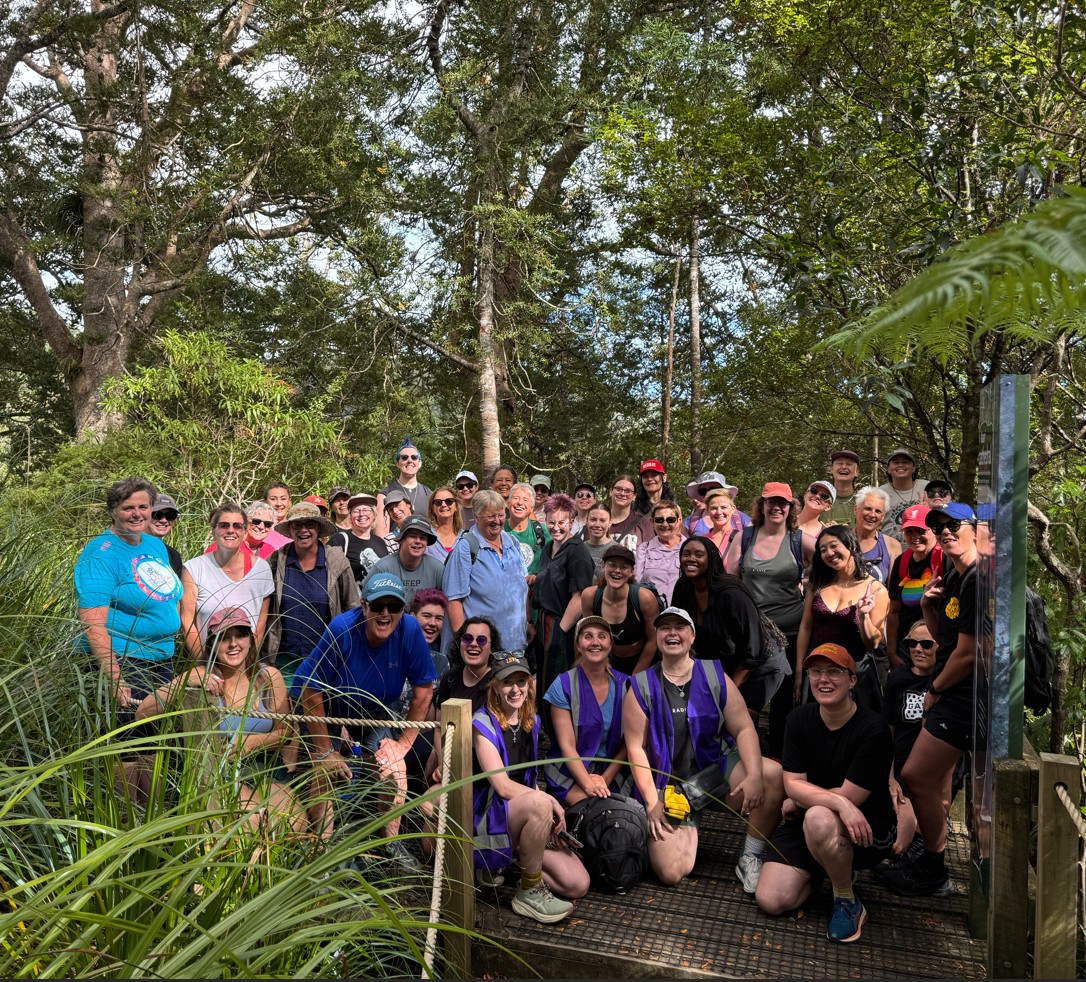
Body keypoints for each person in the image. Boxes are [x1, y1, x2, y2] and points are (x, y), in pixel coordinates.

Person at [622, 606, 785, 890]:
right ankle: (680, 827)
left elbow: (744, 727)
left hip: (716, 773)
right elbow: (636, 748)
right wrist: (652, 802)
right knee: (672, 871)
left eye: (680, 627)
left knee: (773, 776)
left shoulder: (714, 674)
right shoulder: (640, 685)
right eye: (665, 628)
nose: (672, 633)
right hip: (672, 787)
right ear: (657, 635)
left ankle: (751, 855)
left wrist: (754, 775)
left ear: (692, 636)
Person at [755, 643, 897, 945]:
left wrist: (804, 799)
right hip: (812, 816)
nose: (824, 679)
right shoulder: (798, 719)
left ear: (852, 680)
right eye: (816, 672)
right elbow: (793, 784)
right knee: (771, 899)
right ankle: (826, 866)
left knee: (819, 817)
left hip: (865, 827)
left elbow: (852, 798)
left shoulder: (874, 729)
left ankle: (846, 898)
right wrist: (814, 798)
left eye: (834, 671)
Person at [876, 502, 979, 898]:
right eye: (941, 527)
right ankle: (929, 862)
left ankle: (934, 868)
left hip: (962, 694)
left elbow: (968, 654)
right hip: (953, 690)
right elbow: (945, 637)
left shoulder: (979, 578)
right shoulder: (954, 574)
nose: (946, 531)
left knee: (917, 777)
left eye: (954, 525)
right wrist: (928, 605)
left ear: (975, 529)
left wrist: (934, 692)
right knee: (927, 780)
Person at [295, 573, 436, 857]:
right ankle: (321, 849)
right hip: (329, 710)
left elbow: (424, 690)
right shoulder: (342, 629)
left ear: (402, 610)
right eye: (378, 606)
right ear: (364, 605)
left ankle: (390, 847)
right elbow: (310, 691)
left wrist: (403, 745)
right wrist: (325, 751)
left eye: (393, 607)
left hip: (375, 712)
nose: (385, 613)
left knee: (394, 767)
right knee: (325, 770)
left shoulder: (409, 630)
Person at [135, 607, 302, 831]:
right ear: (212, 644)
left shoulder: (269, 677)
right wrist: (184, 680)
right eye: (224, 637)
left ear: (251, 640)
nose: (233, 643)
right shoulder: (203, 681)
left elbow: (285, 731)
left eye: (240, 634)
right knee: (251, 819)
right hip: (216, 775)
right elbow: (142, 713)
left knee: (295, 820)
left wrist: (251, 742)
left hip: (263, 769)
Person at [471, 650, 589, 923]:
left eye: (521, 681)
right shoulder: (482, 723)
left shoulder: (531, 721)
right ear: (495, 687)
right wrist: (548, 802)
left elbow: (527, 779)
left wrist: (543, 813)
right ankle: (529, 891)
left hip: (518, 815)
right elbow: (501, 786)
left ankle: (515, 861)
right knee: (539, 802)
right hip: (487, 818)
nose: (515, 689)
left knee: (577, 883)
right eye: (507, 682)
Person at [75, 476, 183, 707]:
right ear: (113, 511)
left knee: (158, 732)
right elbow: (92, 624)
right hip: (126, 660)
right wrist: (115, 677)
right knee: (134, 736)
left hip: (161, 657)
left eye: (143, 507)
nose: (137, 514)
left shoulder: (153, 544)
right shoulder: (101, 554)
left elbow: (167, 594)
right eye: (128, 508)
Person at [673, 535, 788, 722]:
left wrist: (726, 693)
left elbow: (753, 650)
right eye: (686, 554)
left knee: (736, 721)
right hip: (725, 660)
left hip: (760, 664)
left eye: (699, 554)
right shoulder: (683, 588)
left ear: (711, 560)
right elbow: (680, 632)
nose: (691, 559)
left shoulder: (731, 594)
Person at [795, 526, 888, 714]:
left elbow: (873, 643)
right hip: (817, 669)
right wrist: (799, 668)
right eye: (823, 550)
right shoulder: (817, 584)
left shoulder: (876, 589)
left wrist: (864, 616)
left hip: (855, 674)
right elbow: (806, 626)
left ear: (851, 546)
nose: (829, 553)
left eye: (834, 546)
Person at [265, 501, 359, 686]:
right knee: (284, 712)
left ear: (318, 528)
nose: (303, 530)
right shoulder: (276, 561)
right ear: (290, 529)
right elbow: (263, 610)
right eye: (297, 525)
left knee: (321, 712)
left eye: (310, 524)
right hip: (284, 659)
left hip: (327, 657)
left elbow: (353, 608)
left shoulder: (336, 562)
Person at [544, 616, 630, 805]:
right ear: (578, 645)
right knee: (594, 808)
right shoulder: (563, 685)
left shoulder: (626, 685)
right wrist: (589, 785)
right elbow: (566, 745)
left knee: (625, 815)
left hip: (611, 772)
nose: (595, 642)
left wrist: (604, 779)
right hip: (569, 771)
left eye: (602, 636)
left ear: (610, 643)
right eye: (588, 636)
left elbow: (629, 742)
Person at [181, 501, 274, 658]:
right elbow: (187, 621)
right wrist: (203, 664)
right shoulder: (194, 568)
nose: (231, 530)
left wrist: (248, 665)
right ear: (214, 531)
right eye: (224, 525)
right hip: (207, 661)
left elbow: (260, 623)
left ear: (245, 532)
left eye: (237, 526)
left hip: (245, 664)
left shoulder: (262, 569)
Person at [441, 489, 530, 653]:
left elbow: (522, 587)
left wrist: (528, 623)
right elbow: (453, 601)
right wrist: (465, 646)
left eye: (501, 515)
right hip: (480, 651)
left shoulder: (513, 542)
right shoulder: (466, 548)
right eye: (490, 516)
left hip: (515, 647)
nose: (497, 521)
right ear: (476, 517)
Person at [881, 621, 936, 859]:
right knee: (896, 844)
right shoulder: (897, 679)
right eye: (912, 643)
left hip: (932, 774)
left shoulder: (945, 682)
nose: (918, 649)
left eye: (926, 644)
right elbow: (887, 731)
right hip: (900, 769)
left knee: (908, 838)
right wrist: (890, 777)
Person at [533, 493, 596, 704]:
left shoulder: (577, 551)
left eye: (562, 522)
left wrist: (560, 633)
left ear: (571, 521)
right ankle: (544, 729)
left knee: (558, 680)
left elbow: (579, 597)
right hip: (543, 622)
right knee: (543, 677)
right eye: (551, 522)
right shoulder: (547, 549)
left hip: (563, 625)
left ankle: (560, 732)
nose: (556, 527)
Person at [582, 543, 659, 675]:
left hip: (642, 661)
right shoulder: (590, 596)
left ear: (631, 572)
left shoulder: (644, 598)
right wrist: (604, 670)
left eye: (624, 567)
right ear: (603, 566)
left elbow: (653, 640)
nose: (617, 570)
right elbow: (587, 637)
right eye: (612, 564)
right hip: (607, 662)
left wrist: (636, 677)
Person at [885, 504, 944, 669]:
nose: (915, 536)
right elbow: (894, 611)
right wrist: (891, 651)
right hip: (907, 648)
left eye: (921, 531)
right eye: (909, 531)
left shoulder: (944, 559)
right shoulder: (902, 562)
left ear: (933, 530)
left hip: (937, 646)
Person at [370, 516, 445, 606]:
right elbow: (367, 604)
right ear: (401, 540)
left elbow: (444, 604)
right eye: (413, 536)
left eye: (423, 538)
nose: (418, 541)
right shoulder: (382, 568)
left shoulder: (437, 569)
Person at [331, 493, 389, 593]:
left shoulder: (380, 542)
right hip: (353, 605)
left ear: (374, 515)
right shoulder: (340, 540)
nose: (361, 514)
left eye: (366, 510)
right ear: (350, 516)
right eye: (356, 511)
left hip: (378, 603)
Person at [376, 437, 432, 535]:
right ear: (397, 463)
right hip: (395, 548)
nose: (409, 460)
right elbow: (381, 535)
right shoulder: (384, 495)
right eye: (404, 457)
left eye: (414, 457)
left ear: (419, 463)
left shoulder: (429, 494)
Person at [635, 500, 684, 605]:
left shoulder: (689, 548)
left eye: (670, 520)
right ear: (652, 522)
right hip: (652, 611)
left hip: (683, 612)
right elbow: (636, 583)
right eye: (659, 520)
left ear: (679, 521)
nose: (665, 524)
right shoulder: (644, 549)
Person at [852, 486, 902, 584]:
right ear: (856, 509)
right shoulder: (841, 539)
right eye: (868, 508)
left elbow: (893, 590)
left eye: (878, 511)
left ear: (883, 517)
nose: (872, 515)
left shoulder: (892, 545)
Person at [878, 448, 928, 541]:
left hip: (924, 547)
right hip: (891, 550)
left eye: (905, 462)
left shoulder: (927, 488)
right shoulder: (879, 493)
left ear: (914, 468)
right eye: (896, 462)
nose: (901, 465)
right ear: (888, 469)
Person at [505, 482, 549, 579]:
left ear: (531, 508)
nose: (520, 503)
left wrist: (537, 576)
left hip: (536, 589)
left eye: (525, 500)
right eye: (516, 498)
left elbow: (554, 561)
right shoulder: (498, 529)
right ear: (508, 503)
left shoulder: (543, 530)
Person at [631, 459, 677, 543]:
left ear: (664, 477)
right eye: (645, 476)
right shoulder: (634, 506)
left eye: (654, 475)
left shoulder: (674, 507)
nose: (649, 479)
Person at [797, 480, 836, 571]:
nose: (817, 496)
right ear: (805, 495)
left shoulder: (826, 536)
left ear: (828, 507)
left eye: (824, 496)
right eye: (813, 491)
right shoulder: (783, 522)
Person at [147, 492, 183, 577]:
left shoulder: (174, 556)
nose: (164, 520)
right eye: (156, 515)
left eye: (170, 516)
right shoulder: (128, 548)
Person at [426, 485, 463, 562]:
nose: (443, 505)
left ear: (456, 506)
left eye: (449, 501)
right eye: (438, 502)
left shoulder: (465, 537)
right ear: (433, 508)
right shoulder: (426, 535)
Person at [606, 474, 643, 546]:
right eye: (618, 489)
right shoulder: (597, 520)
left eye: (628, 491)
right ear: (611, 492)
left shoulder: (643, 523)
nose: (622, 493)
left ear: (634, 496)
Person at [825, 451, 861, 525]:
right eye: (839, 463)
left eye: (849, 464)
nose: (844, 467)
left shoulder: (862, 503)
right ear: (831, 469)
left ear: (856, 472)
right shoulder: (819, 500)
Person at [702, 488, 739, 556]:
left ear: (733, 509)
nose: (719, 512)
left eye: (724, 507)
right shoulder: (702, 541)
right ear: (707, 511)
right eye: (713, 508)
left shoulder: (741, 538)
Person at [580, 504, 613, 577]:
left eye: (602, 520)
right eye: (593, 520)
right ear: (586, 521)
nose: (597, 525)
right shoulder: (579, 549)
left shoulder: (617, 549)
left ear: (610, 523)